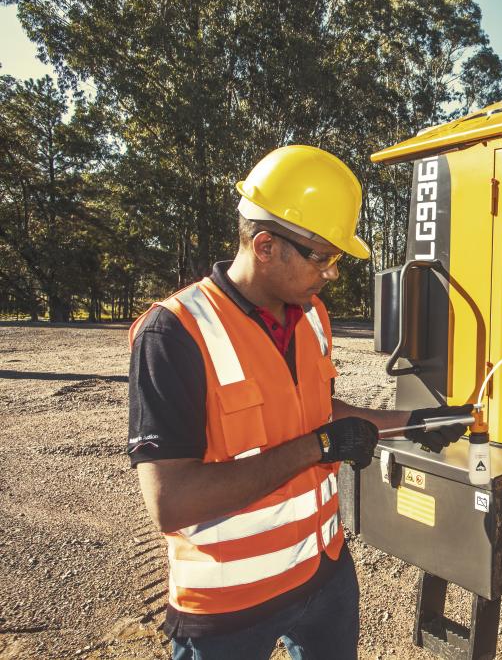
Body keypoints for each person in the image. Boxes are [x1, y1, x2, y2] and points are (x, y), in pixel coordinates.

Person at [126, 145, 471, 660]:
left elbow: (318, 413)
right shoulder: (174, 332)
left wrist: (413, 423)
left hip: (323, 575)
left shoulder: (311, 317)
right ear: (265, 246)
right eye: (323, 257)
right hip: (229, 608)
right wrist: (318, 448)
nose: (332, 273)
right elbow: (172, 500)